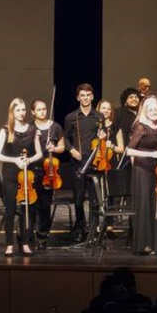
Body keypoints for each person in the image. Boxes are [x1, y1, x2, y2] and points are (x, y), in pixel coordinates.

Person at [0, 98, 41, 256]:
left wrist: (29, 160)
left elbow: (39, 153)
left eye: (23, 109)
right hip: (10, 175)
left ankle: (25, 243)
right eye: (18, 110)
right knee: (10, 211)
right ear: (12, 112)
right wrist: (15, 160)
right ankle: (9, 245)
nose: (22, 113)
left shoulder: (32, 129)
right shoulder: (5, 131)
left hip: (27, 175)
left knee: (27, 210)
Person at [124, 95, 157, 255]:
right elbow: (128, 150)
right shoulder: (141, 127)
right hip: (142, 170)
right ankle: (143, 244)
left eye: (156, 109)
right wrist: (152, 154)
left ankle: (156, 244)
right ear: (145, 111)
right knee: (144, 205)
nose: (154, 112)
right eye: (150, 110)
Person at [64, 83, 104, 241]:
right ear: (78, 98)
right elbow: (65, 138)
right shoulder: (71, 117)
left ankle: (94, 230)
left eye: (88, 95)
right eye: (82, 95)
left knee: (95, 200)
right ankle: (80, 228)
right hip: (78, 163)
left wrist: (103, 137)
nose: (85, 98)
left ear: (92, 97)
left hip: (95, 162)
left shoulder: (99, 116)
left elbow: (102, 137)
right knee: (79, 199)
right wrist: (71, 150)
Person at [31, 98, 65, 242]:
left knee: (45, 205)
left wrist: (54, 148)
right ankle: (30, 234)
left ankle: (42, 236)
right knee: (33, 204)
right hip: (33, 170)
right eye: (39, 109)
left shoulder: (55, 127)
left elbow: (62, 147)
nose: (42, 111)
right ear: (33, 112)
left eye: (44, 109)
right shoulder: (30, 128)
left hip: (49, 171)